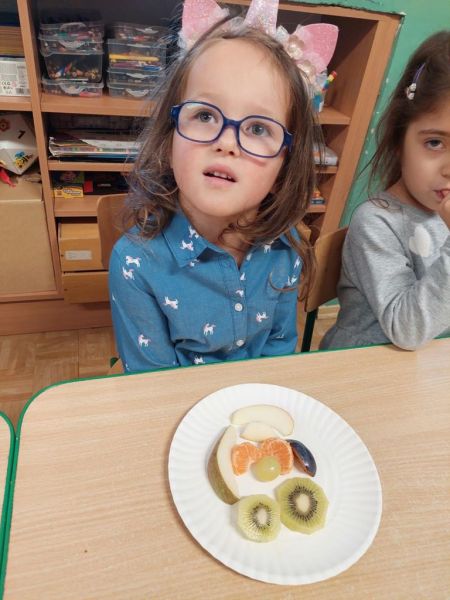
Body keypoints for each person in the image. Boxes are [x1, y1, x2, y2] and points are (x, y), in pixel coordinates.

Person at [109, 11, 321, 372]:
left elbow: (279, 350)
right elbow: (152, 385)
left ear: (284, 166)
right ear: (169, 138)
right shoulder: (135, 264)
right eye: (205, 116)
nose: (227, 143)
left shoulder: (286, 246)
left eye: (258, 128)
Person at [320, 31, 450, 351]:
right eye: (435, 143)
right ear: (398, 141)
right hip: (361, 365)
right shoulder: (378, 222)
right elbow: (406, 330)